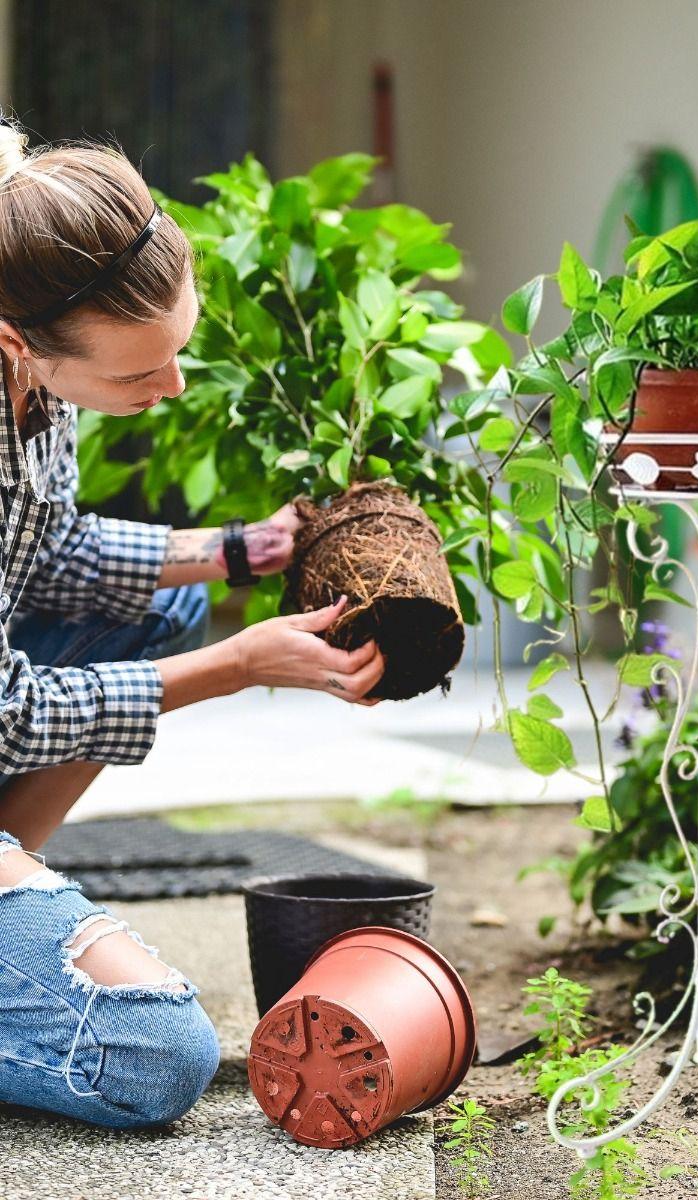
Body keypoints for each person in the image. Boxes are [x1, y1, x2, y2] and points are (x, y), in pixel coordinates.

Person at [0, 117, 385, 1129]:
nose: (170, 387)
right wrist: (238, 665)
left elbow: (42, 554)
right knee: (152, 1054)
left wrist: (231, 551)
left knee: (164, 598)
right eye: (137, 375)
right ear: (16, 340)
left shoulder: (31, 362)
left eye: (177, 351)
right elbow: (5, 711)